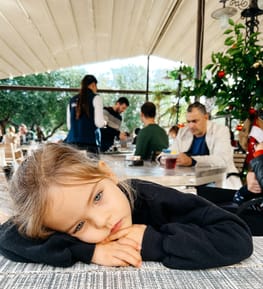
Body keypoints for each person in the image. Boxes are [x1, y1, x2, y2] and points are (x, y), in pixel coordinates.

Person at [0, 143, 252, 269]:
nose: (102, 222)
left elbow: (237, 236)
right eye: (79, 225)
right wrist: (88, 252)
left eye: (97, 197)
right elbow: (7, 237)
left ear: (107, 173)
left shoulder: (154, 199)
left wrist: (154, 242)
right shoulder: (58, 216)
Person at [164, 101, 241, 189]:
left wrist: (192, 161)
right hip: (189, 184)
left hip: (218, 183)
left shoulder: (221, 131)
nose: (191, 126)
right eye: (188, 122)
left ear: (206, 117)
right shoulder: (183, 132)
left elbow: (221, 160)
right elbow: (171, 151)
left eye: (195, 121)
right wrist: (164, 157)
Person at [197, 142, 263, 235]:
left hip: (256, 214)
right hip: (249, 200)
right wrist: (251, 180)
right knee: (196, 195)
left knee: (200, 214)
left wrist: (260, 154)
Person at [65, 75, 105, 154]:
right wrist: (104, 123)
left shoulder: (72, 100)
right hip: (89, 144)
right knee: (91, 166)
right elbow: (99, 123)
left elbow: (69, 126)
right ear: (93, 85)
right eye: (96, 86)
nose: (96, 89)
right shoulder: (96, 98)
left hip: (72, 144)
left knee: (75, 167)